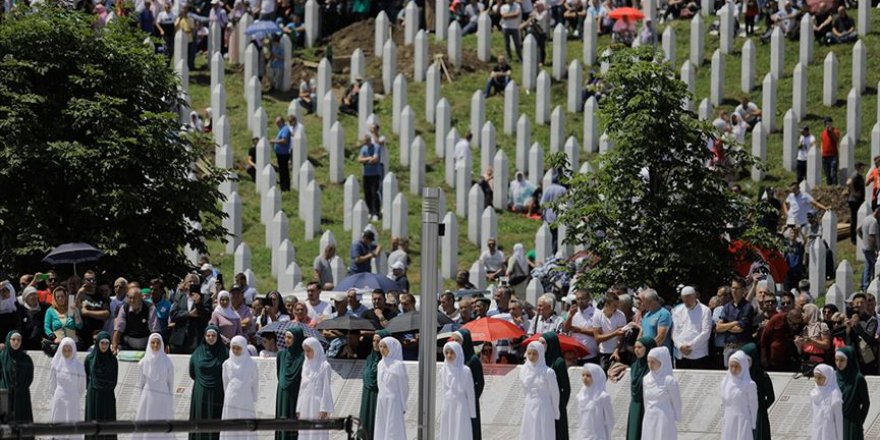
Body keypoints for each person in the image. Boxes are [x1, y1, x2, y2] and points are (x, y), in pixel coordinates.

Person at [189, 325, 229, 440]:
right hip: (200, 392)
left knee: (215, 417)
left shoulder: (224, 353)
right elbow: (192, 372)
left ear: (218, 337)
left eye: (213, 336)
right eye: (208, 335)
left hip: (218, 392)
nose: (211, 338)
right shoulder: (197, 353)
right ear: (205, 337)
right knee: (200, 417)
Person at [133, 334, 175, 440]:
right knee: (148, 418)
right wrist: (141, 400)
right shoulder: (143, 363)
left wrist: (170, 398)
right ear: (149, 344)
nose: (155, 345)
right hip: (148, 396)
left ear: (161, 344)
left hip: (163, 395)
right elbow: (140, 384)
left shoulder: (167, 362)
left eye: (158, 343)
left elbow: (170, 382)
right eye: (153, 342)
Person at [219, 336, 258, 440]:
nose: (236, 351)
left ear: (244, 347)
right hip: (231, 397)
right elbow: (225, 381)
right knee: (231, 420)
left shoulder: (251, 363)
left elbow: (255, 381)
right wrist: (227, 396)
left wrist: (254, 396)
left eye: (238, 348)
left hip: (246, 397)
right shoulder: (227, 363)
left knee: (246, 419)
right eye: (233, 348)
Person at [519, 341, 559, 440]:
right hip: (529, 406)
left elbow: (554, 393)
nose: (531, 356)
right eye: (529, 353)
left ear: (540, 354)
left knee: (543, 433)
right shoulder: (524, 370)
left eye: (534, 353)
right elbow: (525, 391)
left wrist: (555, 410)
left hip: (543, 407)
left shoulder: (548, 372)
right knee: (529, 432)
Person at [437, 341, 476, 440]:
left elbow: (470, 393)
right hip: (447, 406)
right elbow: (443, 390)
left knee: (460, 431)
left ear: (458, 353)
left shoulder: (465, 371)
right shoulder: (443, 371)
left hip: (460, 407)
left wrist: (472, 412)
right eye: (446, 353)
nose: (449, 355)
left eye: (452, 352)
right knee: (447, 431)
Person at [297, 337, 335, 440]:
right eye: (305, 351)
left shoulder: (324, 366)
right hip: (305, 404)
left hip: (317, 405)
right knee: (305, 431)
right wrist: (299, 408)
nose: (307, 354)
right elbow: (302, 388)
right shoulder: (306, 365)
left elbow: (326, 388)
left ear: (316, 349)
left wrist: (324, 408)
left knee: (317, 432)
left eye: (309, 351)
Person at [641, 347, 681, 440]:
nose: (650, 365)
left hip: (664, 417)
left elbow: (676, 401)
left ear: (661, 362)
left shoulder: (669, 381)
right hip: (650, 417)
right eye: (648, 362)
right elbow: (645, 400)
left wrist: (677, 417)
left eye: (653, 362)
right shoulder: (646, 379)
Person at [450, 329, 484, 440]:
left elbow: (480, 382)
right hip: (458, 399)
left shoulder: (473, 359)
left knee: (471, 426)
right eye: (454, 340)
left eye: (458, 340)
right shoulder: (456, 358)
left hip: (469, 399)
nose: (455, 342)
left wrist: (472, 397)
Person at [49, 338, 86, 439]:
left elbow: (82, 384)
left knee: (72, 421)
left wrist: (75, 394)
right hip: (59, 398)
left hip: (73, 398)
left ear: (73, 350)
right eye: (64, 350)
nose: (67, 352)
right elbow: (52, 382)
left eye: (69, 350)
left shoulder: (79, 366)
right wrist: (56, 394)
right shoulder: (56, 364)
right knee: (58, 420)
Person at [84, 331, 118, 440]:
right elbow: (86, 378)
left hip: (107, 396)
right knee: (93, 422)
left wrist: (104, 387)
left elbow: (114, 380)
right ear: (97, 343)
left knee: (107, 422)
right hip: (93, 395)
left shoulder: (113, 360)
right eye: (102, 343)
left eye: (107, 343)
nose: (104, 346)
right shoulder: (89, 359)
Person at [358, 329, 391, 440]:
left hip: (379, 395)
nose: (375, 344)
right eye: (374, 341)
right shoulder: (370, 358)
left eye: (378, 341)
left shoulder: (387, 362)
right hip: (367, 394)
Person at [716, 277, 756, 366]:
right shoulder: (727, 307)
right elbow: (718, 327)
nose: (734, 291)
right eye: (733, 288)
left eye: (737, 288)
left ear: (744, 290)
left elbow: (739, 329)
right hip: (728, 346)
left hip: (742, 346)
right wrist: (733, 323)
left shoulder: (748, 307)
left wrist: (725, 327)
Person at [375, 337, 408, 440]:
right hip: (382, 399)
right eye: (380, 346)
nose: (382, 349)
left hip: (394, 401)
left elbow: (404, 386)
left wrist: (403, 404)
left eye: (385, 347)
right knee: (381, 427)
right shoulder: (380, 364)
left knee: (393, 428)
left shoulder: (398, 365)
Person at [671, 286, 713, 369]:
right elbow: (674, 331)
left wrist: (690, 346)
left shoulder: (705, 310)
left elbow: (706, 332)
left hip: (698, 354)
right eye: (684, 299)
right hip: (681, 354)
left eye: (688, 298)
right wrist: (680, 346)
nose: (686, 302)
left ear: (695, 296)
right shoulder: (677, 310)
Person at [624, 336, 657, 440]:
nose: (636, 350)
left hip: (647, 405)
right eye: (635, 347)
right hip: (635, 404)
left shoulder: (654, 368)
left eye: (640, 347)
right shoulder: (635, 365)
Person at [720, 351, 758, 440]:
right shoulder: (725, 382)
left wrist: (753, 421)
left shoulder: (750, 384)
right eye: (731, 366)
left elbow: (753, 405)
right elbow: (724, 402)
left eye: (736, 366)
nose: (733, 369)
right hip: (728, 419)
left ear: (743, 366)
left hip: (742, 419)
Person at [740, 343, 774, 440]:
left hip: (759, 414)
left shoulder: (763, 376)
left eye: (748, 360)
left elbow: (771, 397)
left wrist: (761, 408)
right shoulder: (741, 377)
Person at [276, 327, 305, 440]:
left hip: (295, 392)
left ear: (297, 339)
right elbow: (279, 372)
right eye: (285, 337)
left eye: (290, 337)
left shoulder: (303, 356)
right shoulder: (281, 355)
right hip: (282, 392)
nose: (286, 340)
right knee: (281, 417)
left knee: (292, 418)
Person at [834, 347, 870, 440]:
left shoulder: (858, 378)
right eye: (836, 360)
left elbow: (866, 403)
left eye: (842, 360)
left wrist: (859, 421)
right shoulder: (835, 377)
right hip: (837, 421)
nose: (838, 363)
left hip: (852, 422)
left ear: (849, 360)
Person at [0, 331, 34, 426]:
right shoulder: (2, 357)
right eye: (13, 339)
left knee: (21, 423)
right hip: (5, 394)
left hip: (21, 396)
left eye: (19, 340)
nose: (16, 342)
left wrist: (20, 388)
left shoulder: (26, 359)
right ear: (8, 340)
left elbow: (29, 378)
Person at [540, 332, 570, 440]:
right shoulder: (541, 361)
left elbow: (566, 388)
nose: (540, 345)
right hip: (544, 403)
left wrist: (560, 404)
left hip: (556, 403)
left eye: (543, 343)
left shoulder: (558, 362)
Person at [112, 285, 159, 352]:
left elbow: (154, 330)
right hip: (127, 345)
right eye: (130, 298)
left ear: (141, 298)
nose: (132, 300)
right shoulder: (124, 308)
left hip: (147, 346)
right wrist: (114, 347)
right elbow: (118, 329)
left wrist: (155, 349)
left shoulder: (150, 308)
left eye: (135, 298)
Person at [576, 364, 614, 440]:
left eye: (588, 376)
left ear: (596, 377)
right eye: (583, 375)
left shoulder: (603, 397)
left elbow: (609, 419)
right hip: (583, 435)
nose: (585, 378)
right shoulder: (581, 395)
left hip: (598, 436)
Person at [563, 288, 598, 365]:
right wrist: (570, 316)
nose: (580, 301)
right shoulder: (572, 311)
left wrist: (580, 330)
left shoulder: (596, 312)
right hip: (575, 355)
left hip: (591, 354)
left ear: (588, 299)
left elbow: (597, 333)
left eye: (583, 299)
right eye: (578, 299)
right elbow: (566, 329)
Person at [811, 363, 843, 440]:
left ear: (828, 377)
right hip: (817, 432)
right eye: (815, 377)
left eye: (820, 378)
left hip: (829, 433)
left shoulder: (834, 395)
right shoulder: (814, 393)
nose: (817, 380)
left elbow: (838, 420)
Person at [637, 288, 672, 355]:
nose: (642, 304)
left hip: (659, 355)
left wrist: (647, 350)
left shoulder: (664, 314)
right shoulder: (646, 315)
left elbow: (660, 337)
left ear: (652, 302)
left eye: (643, 302)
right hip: (646, 353)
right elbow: (642, 331)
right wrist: (638, 346)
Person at [358, 134, 383, 221]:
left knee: (374, 193)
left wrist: (366, 161)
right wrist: (369, 158)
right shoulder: (363, 148)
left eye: (366, 141)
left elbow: (375, 159)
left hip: (375, 174)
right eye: (364, 142)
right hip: (366, 174)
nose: (365, 143)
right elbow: (359, 159)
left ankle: (376, 213)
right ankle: (370, 211)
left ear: (369, 140)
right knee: (367, 194)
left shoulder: (376, 147)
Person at [269, 116, 292, 191]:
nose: (277, 125)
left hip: (283, 154)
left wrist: (274, 141)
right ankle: (283, 186)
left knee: (284, 171)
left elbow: (284, 141)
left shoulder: (285, 129)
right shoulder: (282, 129)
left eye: (278, 123)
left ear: (282, 122)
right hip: (280, 154)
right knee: (282, 170)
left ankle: (285, 187)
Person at [820, 118, 840, 185]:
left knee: (833, 173)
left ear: (831, 123)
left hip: (833, 156)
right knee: (827, 174)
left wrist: (831, 132)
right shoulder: (823, 133)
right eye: (825, 123)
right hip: (824, 156)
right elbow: (822, 143)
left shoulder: (836, 131)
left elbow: (836, 140)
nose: (827, 125)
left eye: (828, 123)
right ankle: (829, 187)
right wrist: (821, 151)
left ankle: (835, 187)